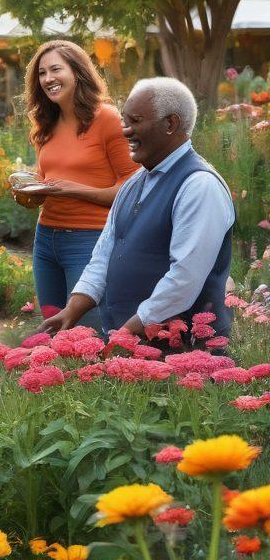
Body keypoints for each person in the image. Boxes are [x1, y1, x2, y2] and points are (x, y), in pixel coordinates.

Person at [40, 77, 235, 339]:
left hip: (182, 355)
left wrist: (128, 332)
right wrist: (72, 310)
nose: (125, 131)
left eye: (135, 121)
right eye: (124, 120)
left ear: (170, 124)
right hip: (132, 347)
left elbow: (183, 282)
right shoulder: (134, 183)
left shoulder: (199, 186)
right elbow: (103, 256)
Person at [16, 39, 138, 325]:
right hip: (46, 241)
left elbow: (132, 190)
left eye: (55, 69)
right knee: (52, 329)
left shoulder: (107, 119)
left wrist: (72, 190)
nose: (48, 79)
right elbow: (49, 180)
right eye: (42, 74)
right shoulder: (45, 123)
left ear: (78, 72)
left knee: (87, 337)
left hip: (90, 240)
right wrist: (32, 191)